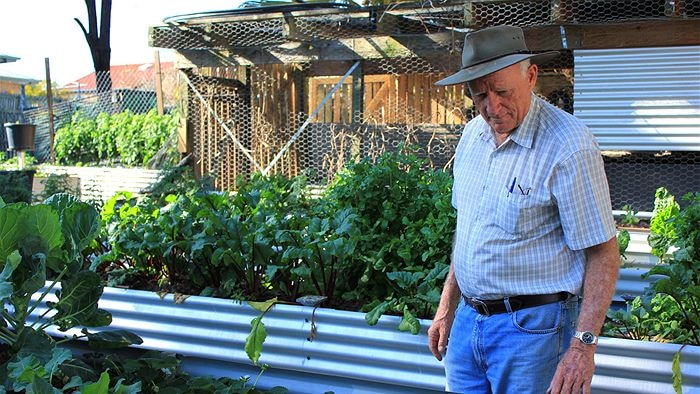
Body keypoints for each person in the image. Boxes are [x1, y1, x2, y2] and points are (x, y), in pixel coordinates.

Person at [428, 25, 620, 394]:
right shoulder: (472, 137)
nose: (492, 107)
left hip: (534, 332)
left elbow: (603, 252)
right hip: (468, 322)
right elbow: (468, 230)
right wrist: (447, 307)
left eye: (502, 92)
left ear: (531, 76)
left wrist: (582, 346)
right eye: (479, 95)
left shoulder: (568, 146)